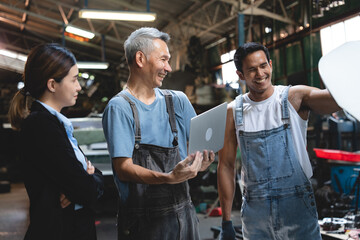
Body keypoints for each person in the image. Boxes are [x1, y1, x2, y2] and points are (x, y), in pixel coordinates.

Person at [217, 42, 341, 239]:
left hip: (297, 207)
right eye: (251, 70)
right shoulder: (234, 111)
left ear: (271, 65)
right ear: (240, 75)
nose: (260, 74)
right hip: (256, 213)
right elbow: (225, 166)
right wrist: (226, 221)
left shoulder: (294, 97)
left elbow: (334, 101)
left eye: (263, 66)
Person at [102, 27, 215, 240]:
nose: (168, 68)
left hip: (184, 215)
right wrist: (168, 178)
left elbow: (198, 145)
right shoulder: (120, 107)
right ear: (140, 59)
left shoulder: (178, 101)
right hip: (143, 223)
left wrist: (201, 162)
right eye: (163, 60)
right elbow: (123, 168)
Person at [8, 43, 104, 240]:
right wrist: (86, 180)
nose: (79, 87)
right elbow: (87, 190)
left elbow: (90, 182)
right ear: (52, 85)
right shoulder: (42, 125)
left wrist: (86, 180)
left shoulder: (55, 123)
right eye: (74, 80)